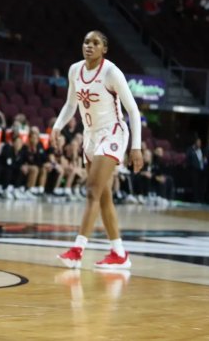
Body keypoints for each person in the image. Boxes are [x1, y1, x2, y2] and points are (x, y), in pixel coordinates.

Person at [53, 31, 143, 270]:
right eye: (86, 42)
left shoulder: (111, 72)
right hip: (91, 136)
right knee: (103, 196)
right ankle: (119, 253)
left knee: (92, 189)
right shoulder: (75, 70)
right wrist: (57, 126)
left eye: (95, 43)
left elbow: (133, 111)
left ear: (104, 49)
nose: (89, 46)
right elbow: (71, 103)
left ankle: (77, 250)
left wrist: (136, 148)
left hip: (113, 132)